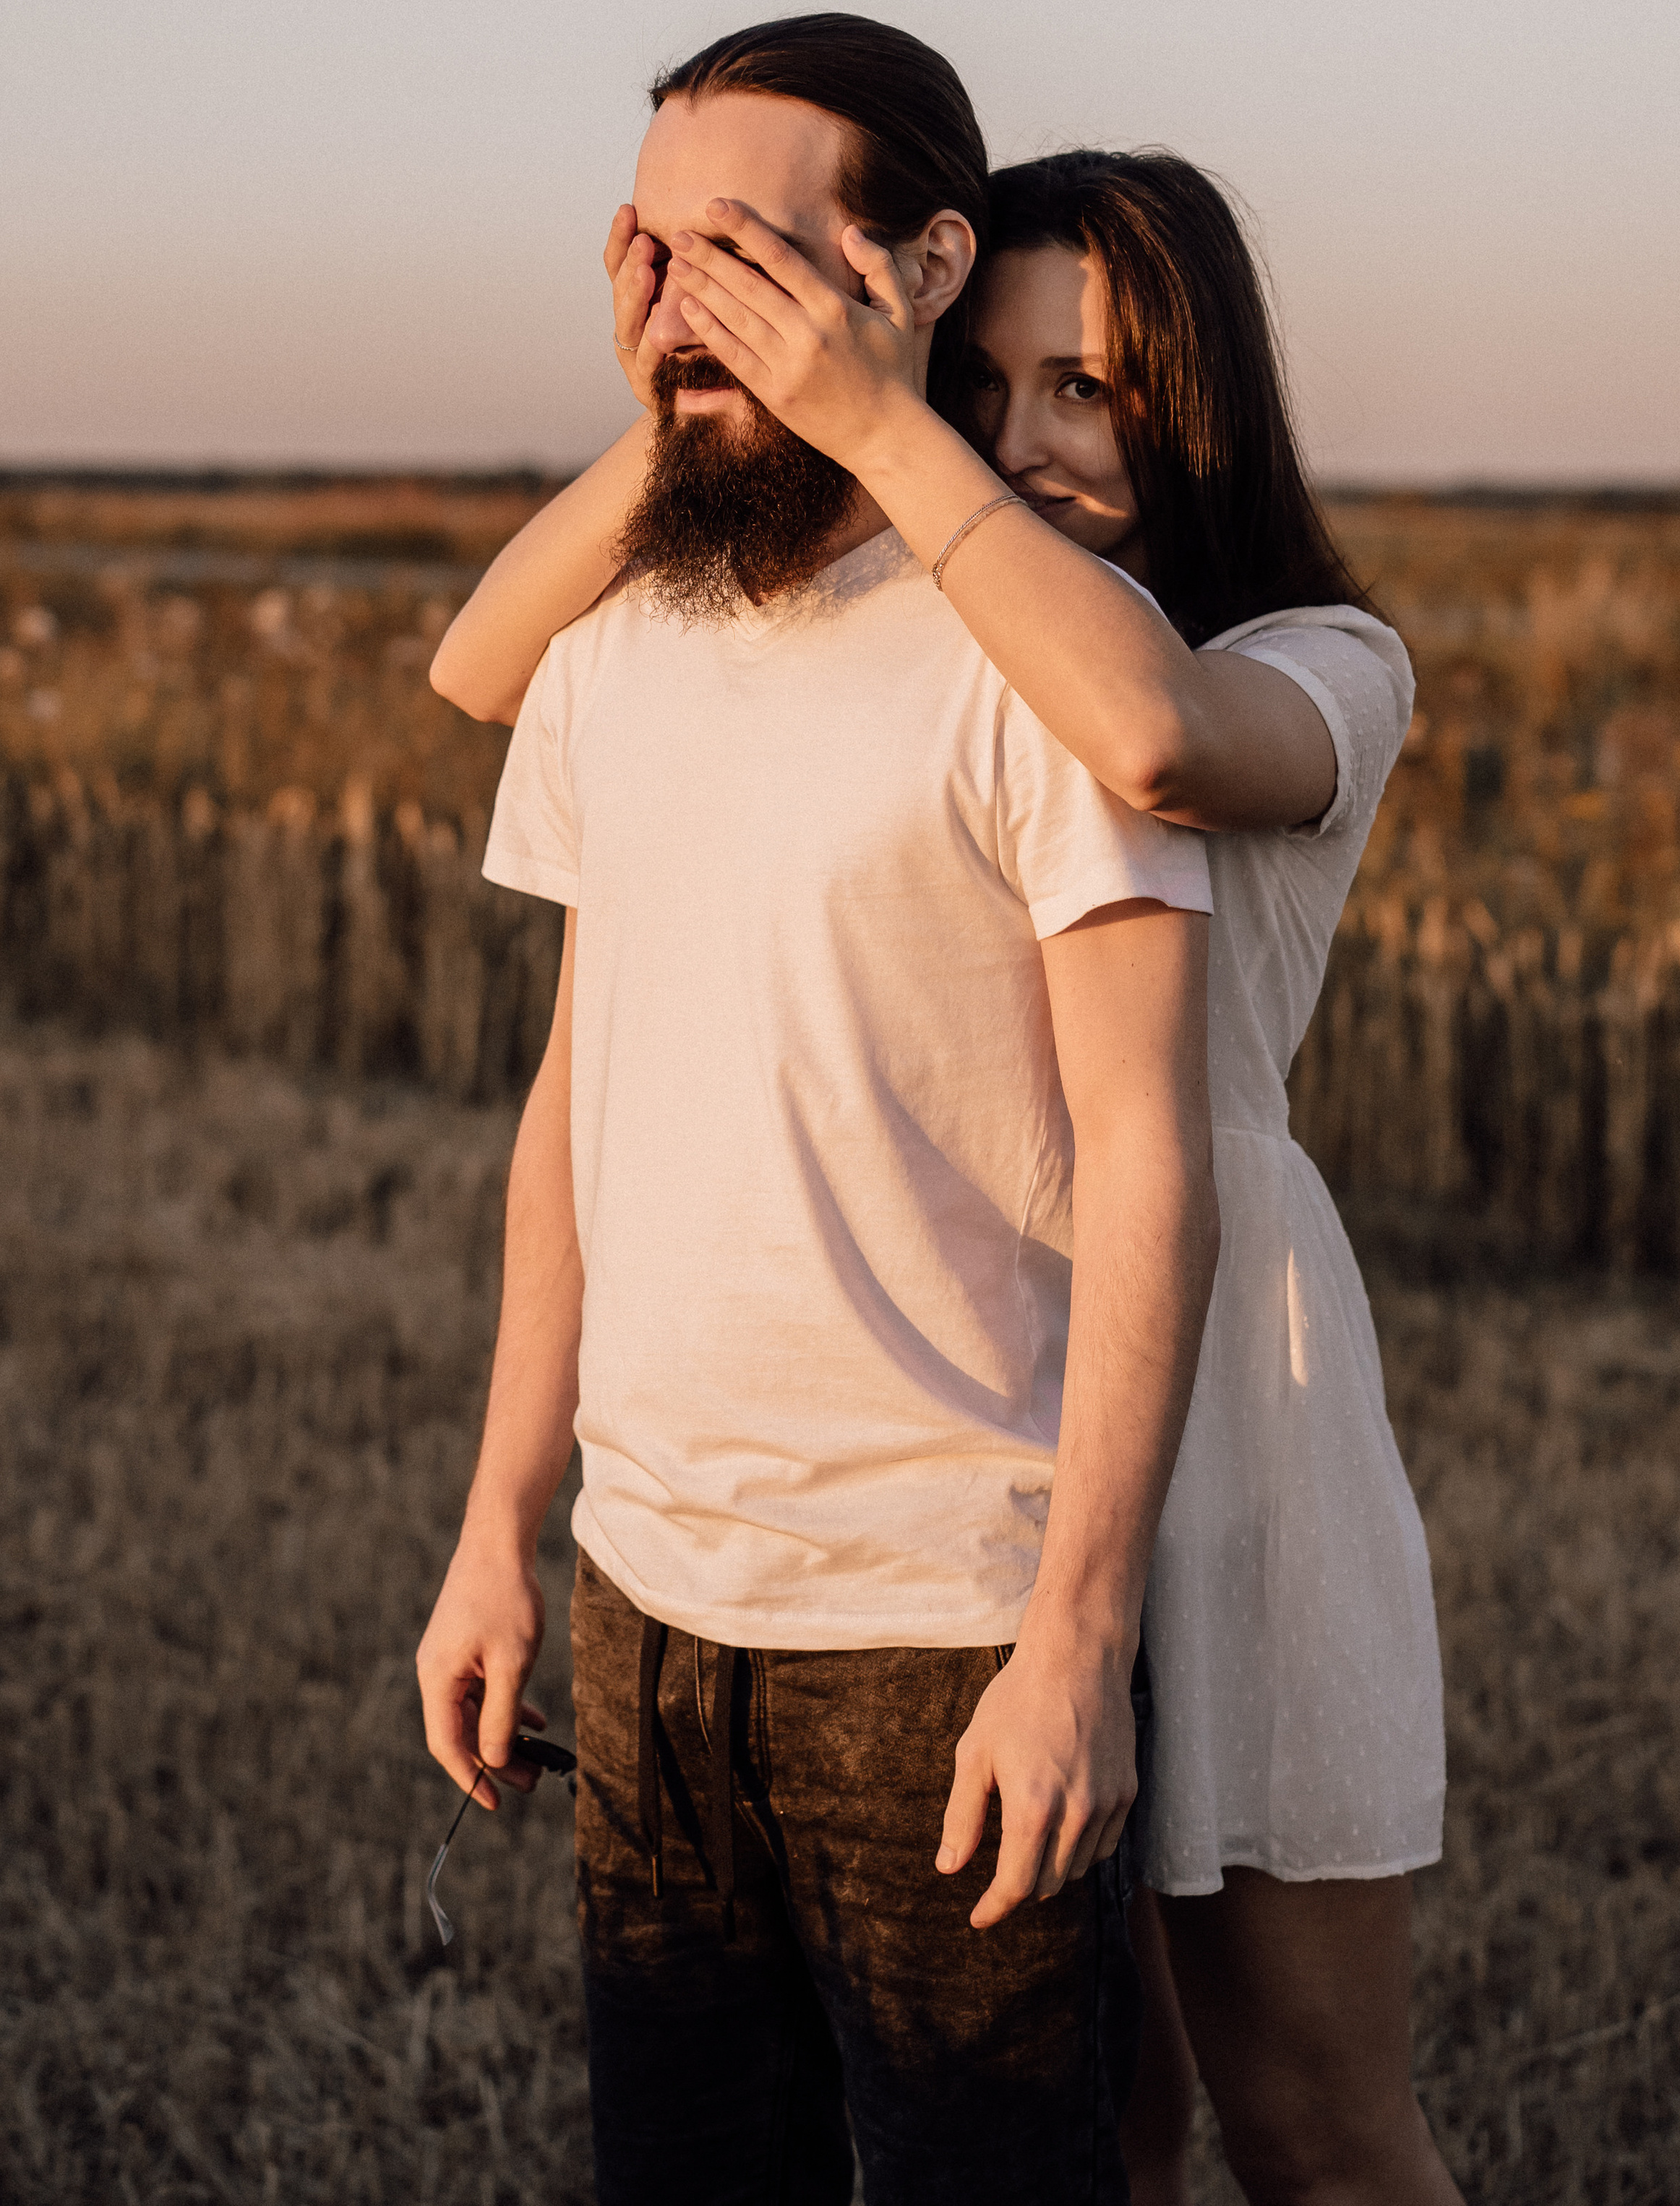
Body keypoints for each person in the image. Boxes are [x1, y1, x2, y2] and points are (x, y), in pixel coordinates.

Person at [435, 129, 1465, 2206]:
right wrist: (705, 382)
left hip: (1219, 1410)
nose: (1021, 440)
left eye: (1087, 390)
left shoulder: (1314, 665)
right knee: (1111, 2123)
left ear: (1198, 404)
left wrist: (890, 438)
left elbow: (1150, 738)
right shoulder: (928, 631)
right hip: (978, 1393)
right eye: (977, 379)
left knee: (1317, 2127)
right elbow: (477, 669)